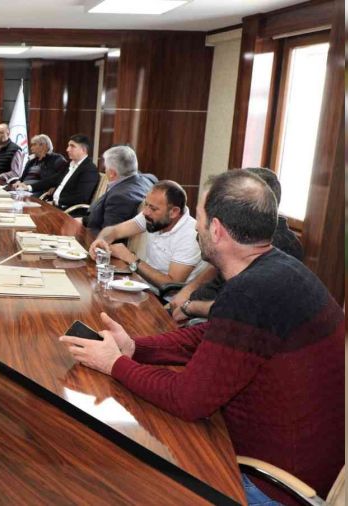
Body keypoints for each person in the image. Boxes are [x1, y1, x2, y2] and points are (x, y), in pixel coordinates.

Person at [60, 170, 344, 506]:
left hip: (269, 486)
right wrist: (135, 348)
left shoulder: (251, 292)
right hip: (303, 467)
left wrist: (115, 364)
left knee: (117, 476)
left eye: (201, 218)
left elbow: (188, 400)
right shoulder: (280, 269)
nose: (196, 227)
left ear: (217, 230)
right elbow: (208, 335)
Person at [168, 167, 304, 323]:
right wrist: (189, 291)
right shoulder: (238, 243)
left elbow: (237, 309)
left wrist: (191, 307)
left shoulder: (273, 249)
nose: (197, 226)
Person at [89, 180, 203, 287]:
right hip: (145, 285)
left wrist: (130, 258)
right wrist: (101, 241)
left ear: (174, 212)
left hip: (164, 298)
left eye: (153, 209)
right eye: (146, 204)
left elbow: (171, 284)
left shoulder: (190, 235)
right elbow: (114, 231)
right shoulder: (151, 216)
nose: (145, 212)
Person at [82, 145, 157, 231]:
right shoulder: (149, 179)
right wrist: (83, 220)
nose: (105, 170)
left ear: (112, 173)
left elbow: (108, 234)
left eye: (106, 167)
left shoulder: (119, 198)